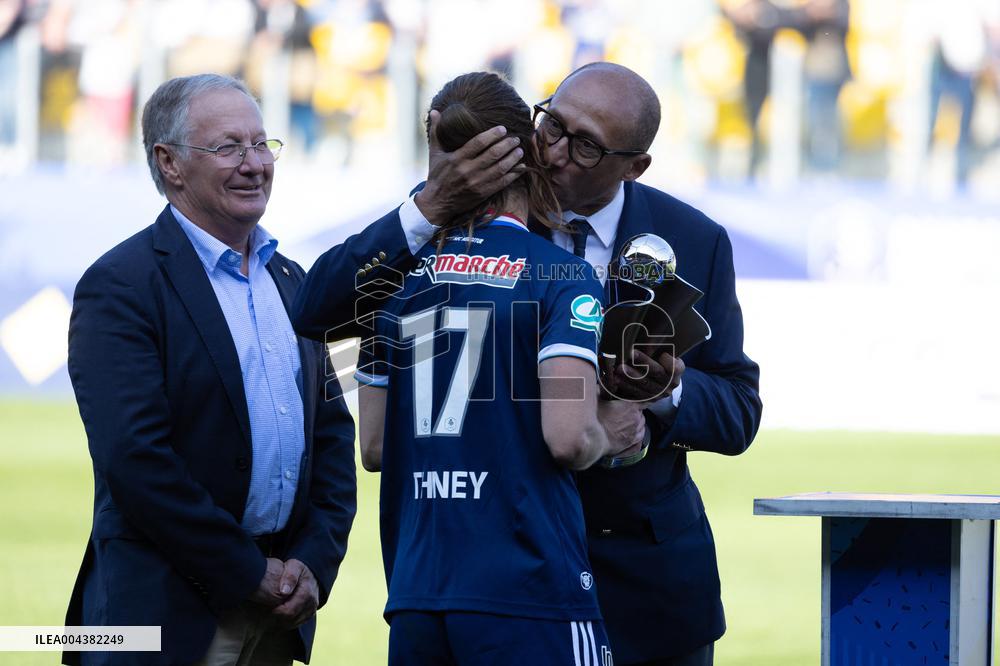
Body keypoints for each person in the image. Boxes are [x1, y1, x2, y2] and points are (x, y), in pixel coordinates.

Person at [293, 62, 762, 666]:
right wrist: (430, 202)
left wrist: (661, 397)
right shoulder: (461, 217)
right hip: (493, 575)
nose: (556, 152)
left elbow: (738, 407)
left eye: (587, 145)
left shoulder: (691, 239)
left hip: (645, 587)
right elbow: (316, 309)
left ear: (635, 166)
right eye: (552, 125)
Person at [64, 74, 357, 666]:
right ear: (168, 163)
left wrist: (313, 565)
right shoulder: (120, 285)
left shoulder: (295, 282)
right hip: (159, 617)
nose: (254, 165)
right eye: (228, 147)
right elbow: (136, 461)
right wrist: (246, 571)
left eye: (261, 144)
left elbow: (332, 438)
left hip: (278, 617)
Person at [355, 71, 644, 665]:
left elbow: (376, 445)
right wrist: (605, 434)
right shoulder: (562, 276)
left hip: (419, 588)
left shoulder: (393, 281)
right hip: (529, 590)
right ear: (528, 157)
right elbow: (567, 438)